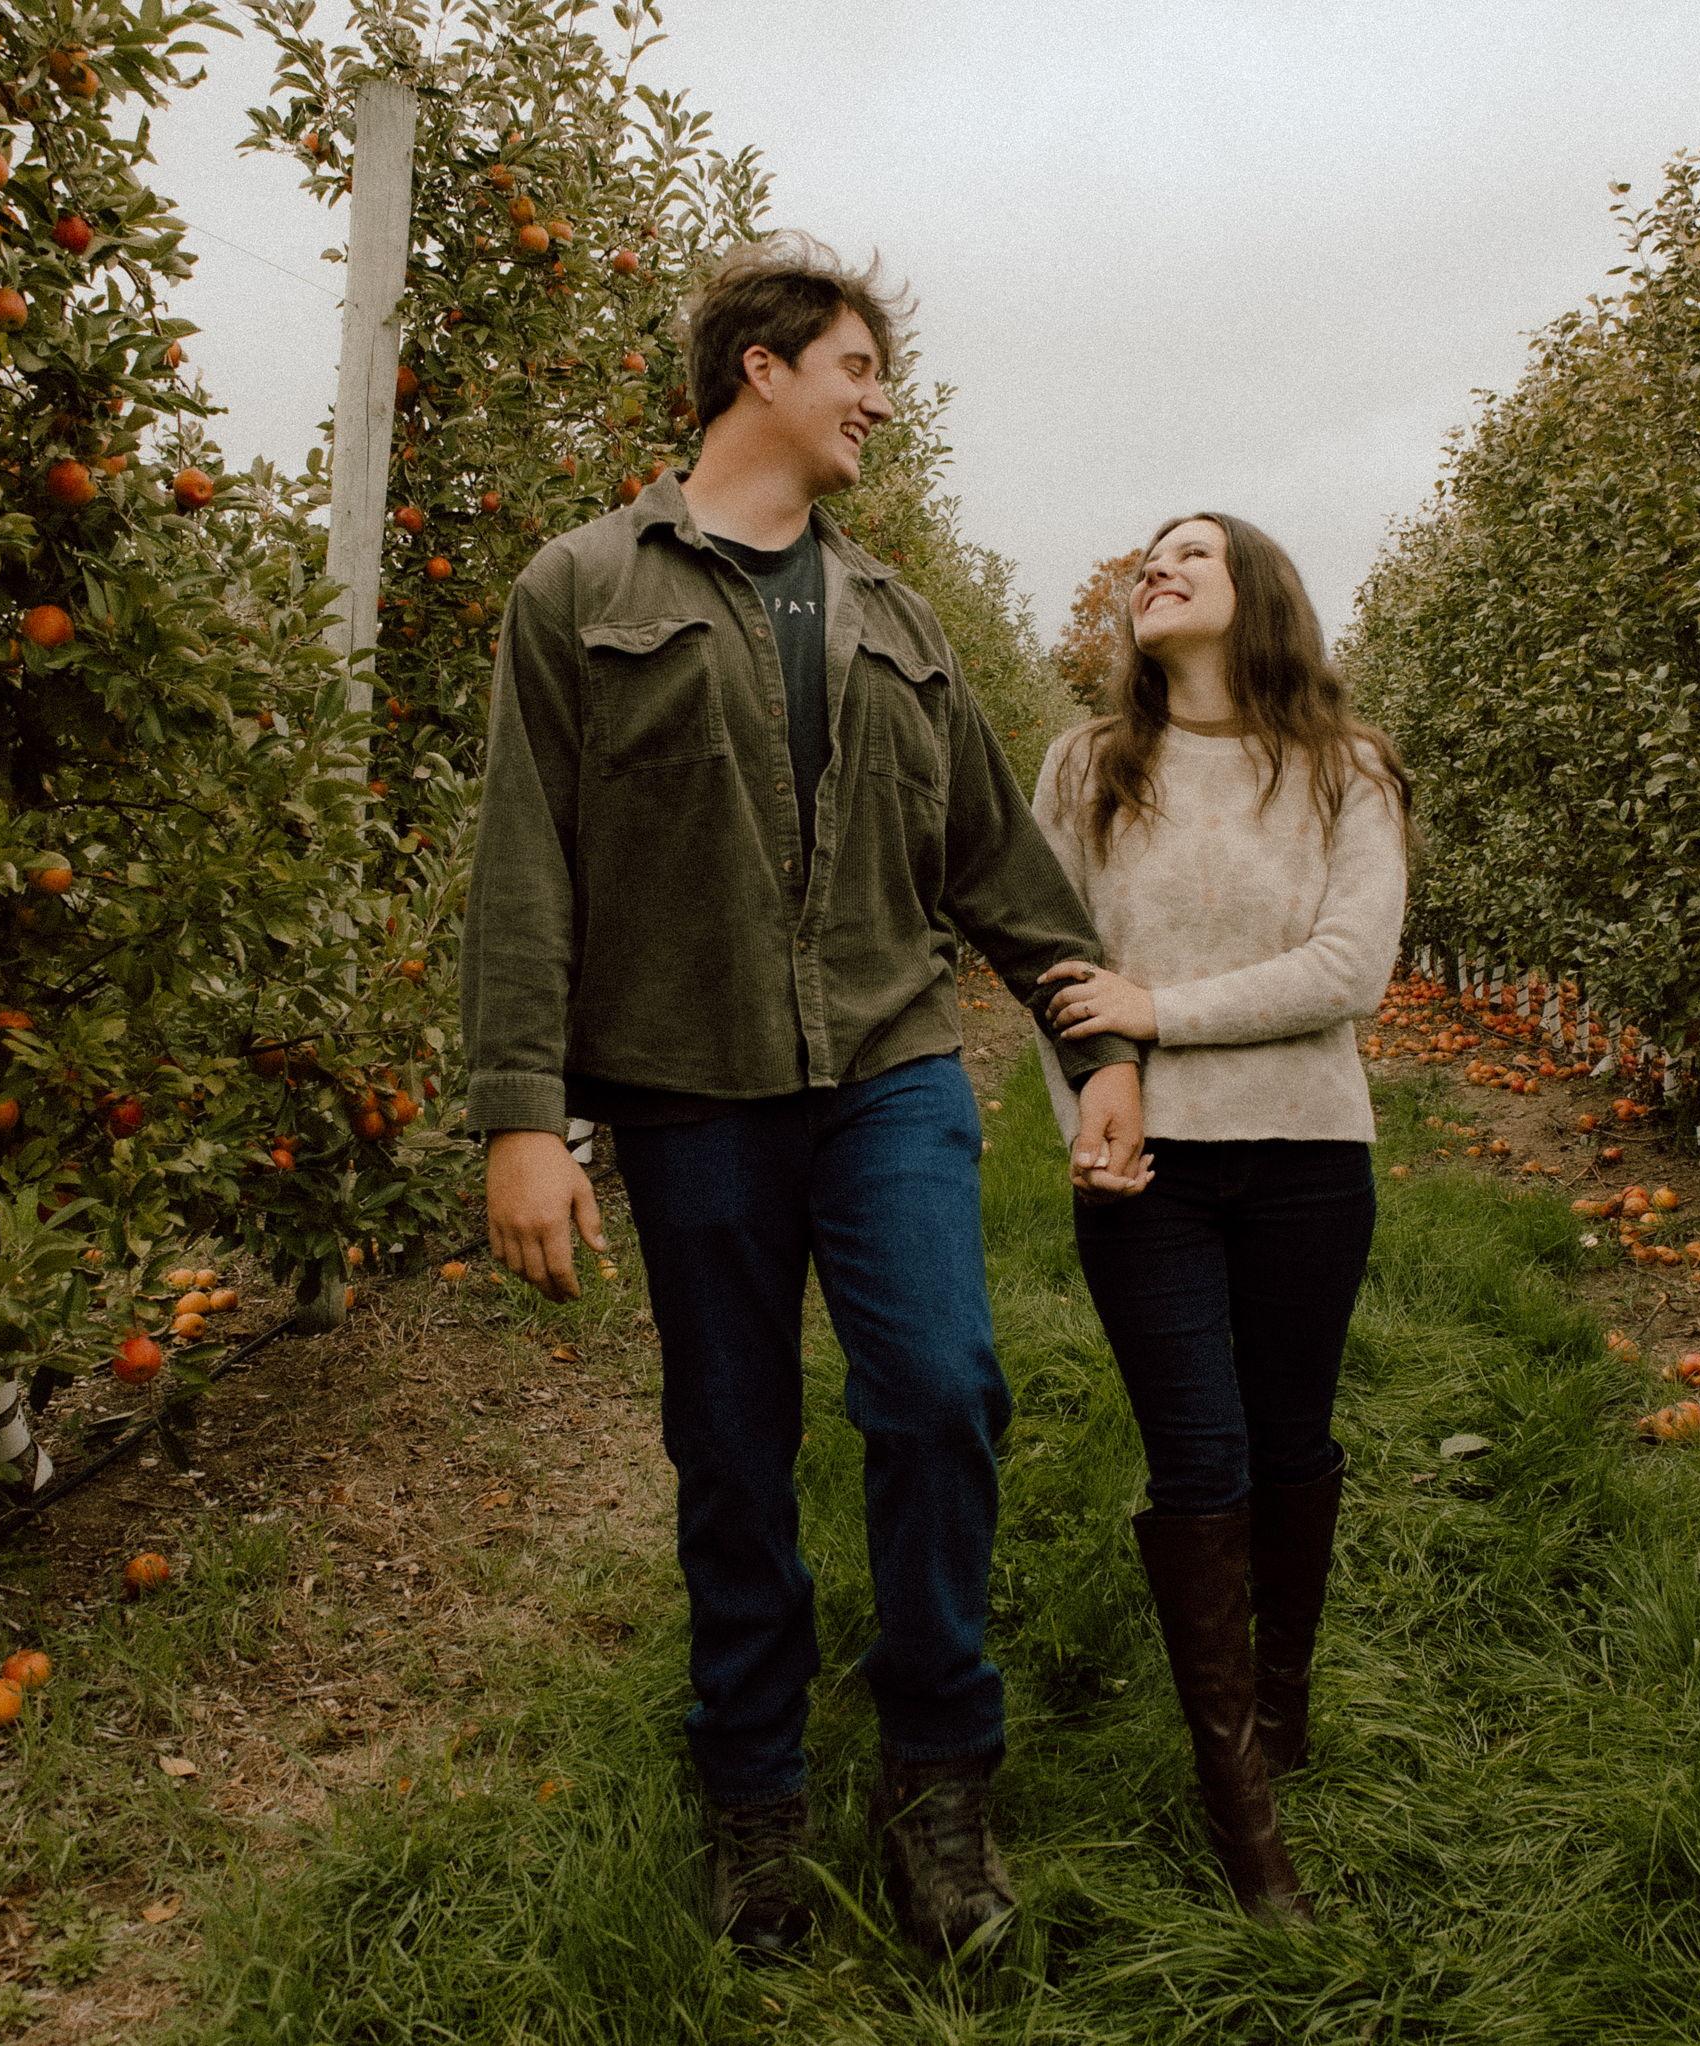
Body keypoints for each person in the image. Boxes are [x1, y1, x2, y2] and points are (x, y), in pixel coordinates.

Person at [458, 234, 1148, 1960]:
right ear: (761, 367)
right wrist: (521, 1116)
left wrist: (1102, 1046)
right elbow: (525, 861)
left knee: (939, 1392)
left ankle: (941, 1777)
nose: (877, 401)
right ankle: (755, 1798)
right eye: (857, 368)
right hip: (687, 1083)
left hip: (888, 1064)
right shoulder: (579, 589)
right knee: (731, 1445)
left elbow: (994, 862)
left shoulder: (897, 619)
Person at [1028, 512, 1409, 1921]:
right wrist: (1092, 1098)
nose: (1156, 567)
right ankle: (1243, 1812)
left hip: (1311, 1153)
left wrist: (1159, 1010)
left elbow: (1350, 964)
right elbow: (1048, 955)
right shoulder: (1085, 766)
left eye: (1192, 551)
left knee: (1292, 1437)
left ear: (1256, 588)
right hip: (1154, 1172)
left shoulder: (1340, 767)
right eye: (1144, 556)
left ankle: (1283, 1704)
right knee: (1201, 1456)